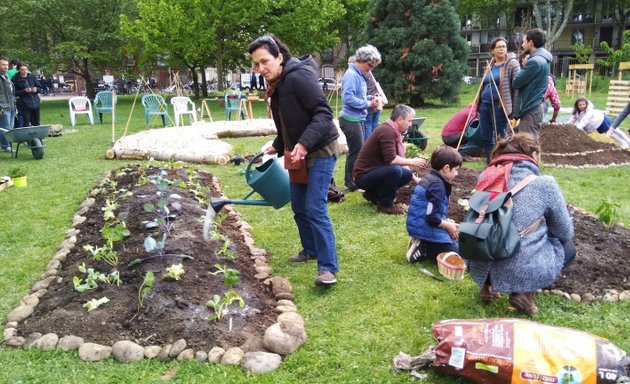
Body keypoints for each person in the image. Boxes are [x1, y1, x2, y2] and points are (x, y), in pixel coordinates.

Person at [248, 34, 340, 286]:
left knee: (315, 208)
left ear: (280, 57)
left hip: (320, 150)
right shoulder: (277, 83)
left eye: (265, 61)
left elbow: (323, 114)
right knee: (299, 206)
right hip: (297, 153)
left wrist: (303, 143)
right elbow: (291, 123)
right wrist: (278, 145)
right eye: (256, 64)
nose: (260, 69)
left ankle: (328, 267)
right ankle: (310, 250)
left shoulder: (298, 77)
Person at [468, 133, 575, 316]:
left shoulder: (486, 177)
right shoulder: (544, 184)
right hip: (519, 269)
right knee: (568, 247)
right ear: (533, 155)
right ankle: (524, 292)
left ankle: (486, 287)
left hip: (478, 261)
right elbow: (564, 231)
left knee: (492, 228)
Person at [353, 104, 427, 215]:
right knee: (395, 170)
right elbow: (391, 159)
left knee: (406, 174)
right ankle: (385, 205)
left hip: (372, 172)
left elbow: (397, 159)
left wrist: (415, 179)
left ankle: (373, 194)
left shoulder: (391, 129)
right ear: (400, 120)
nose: (410, 124)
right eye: (409, 120)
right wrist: (412, 161)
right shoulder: (387, 131)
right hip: (362, 176)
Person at [405, 145, 462, 263]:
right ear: (446, 168)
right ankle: (424, 248)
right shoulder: (437, 187)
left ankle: (422, 240)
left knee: (458, 236)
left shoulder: (431, 178)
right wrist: (447, 225)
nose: (456, 174)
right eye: (456, 170)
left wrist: (446, 221)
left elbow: (432, 211)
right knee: (456, 250)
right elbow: (431, 217)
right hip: (424, 225)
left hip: (420, 224)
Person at [339, 45, 381, 191]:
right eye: (370, 65)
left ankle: (354, 180)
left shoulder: (360, 75)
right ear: (361, 60)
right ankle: (351, 183)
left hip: (358, 119)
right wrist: (368, 103)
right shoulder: (352, 75)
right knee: (355, 151)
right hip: (350, 120)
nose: (371, 69)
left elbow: (359, 96)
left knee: (359, 150)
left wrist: (371, 98)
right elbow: (348, 98)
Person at [476, 37, 520, 164]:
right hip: (485, 105)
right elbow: (484, 84)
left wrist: (515, 109)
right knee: (485, 136)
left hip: (500, 106)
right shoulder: (490, 64)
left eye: (504, 46)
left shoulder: (511, 64)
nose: (502, 49)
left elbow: (517, 87)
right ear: (492, 50)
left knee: (501, 136)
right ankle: (490, 162)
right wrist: (478, 104)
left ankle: (502, 163)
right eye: (499, 47)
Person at [512, 28, 552, 138]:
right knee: (531, 144)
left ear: (531, 43)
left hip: (531, 108)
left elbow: (516, 82)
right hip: (534, 107)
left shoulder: (535, 62)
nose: (522, 45)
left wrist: (524, 66)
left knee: (527, 146)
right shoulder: (543, 59)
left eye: (524, 41)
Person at [519, 53, 560, 123]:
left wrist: (553, 119)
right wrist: (553, 119)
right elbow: (556, 104)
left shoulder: (548, 80)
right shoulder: (548, 79)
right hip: (530, 106)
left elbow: (556, 103)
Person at [12, 63, 41, 127]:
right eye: (22, 70)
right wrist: (24, 91)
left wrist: (36, 89)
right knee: (26, 123)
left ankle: (37, 136)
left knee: (36, 122)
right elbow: (13, 92)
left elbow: (39, 87)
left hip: (35, 103)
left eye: (26, 69)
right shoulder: (15, 79)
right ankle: (26, 136)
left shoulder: (32, 77)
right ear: (18, 70)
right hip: (24, 104)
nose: (25, 71)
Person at [363, 68, 387, 141]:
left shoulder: (363, 75)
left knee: (368, 126)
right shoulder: (370, 74)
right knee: (374, 126)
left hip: (371, 104)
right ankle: (374, 143)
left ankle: (368, 144)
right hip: (377, 103)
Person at [0, 57, 16, 152]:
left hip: (11, 106)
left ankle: (7, 145)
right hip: (3, 107)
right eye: (3, 65)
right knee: (5, 128)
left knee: (10, 128)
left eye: (6, 65)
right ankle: (5, 146)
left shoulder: (6, 76)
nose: (6, 67)